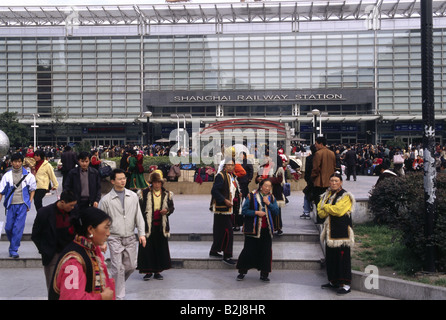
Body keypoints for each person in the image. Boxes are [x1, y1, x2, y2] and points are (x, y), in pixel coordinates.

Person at [98, 168, 146, 300]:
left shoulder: (133, 196)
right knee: (118, 268)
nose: (123, 181)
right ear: (113, 181)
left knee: (131, 266)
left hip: (130, 236)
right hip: (114, 237)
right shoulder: (106, 200)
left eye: (124, 178)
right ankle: (119, 296)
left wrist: (141, 234)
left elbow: (138, 216)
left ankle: (114, 285)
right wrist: (102, 241)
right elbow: (100, 222)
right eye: (119, 179)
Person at [48, 207, 115, 300]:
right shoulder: (74, 261)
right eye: (106, 228)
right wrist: (101, 297)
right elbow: (71, 297)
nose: (108, 233)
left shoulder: (92, 250)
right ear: (90, 229)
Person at [31, 190, 78, 290]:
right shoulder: (44, 213)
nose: (72, 207)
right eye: (71, 205)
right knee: (53, 287)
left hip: (70, 253)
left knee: (70, 287)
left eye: (74, 205)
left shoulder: (74, 212)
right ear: (62, 202)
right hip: (52, 254)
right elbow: (35, 235)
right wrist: (44, 250)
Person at [318, 173, 355, 295]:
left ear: (341, 182)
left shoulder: (346, 195)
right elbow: (320, 213)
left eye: (336, 181)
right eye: (332, 180)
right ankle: (333, 281)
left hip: (342, 232)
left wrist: (325, 207)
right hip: (330, 232)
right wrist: (327, 208)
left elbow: (339, 211)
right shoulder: (326, 195)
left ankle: (345, 284)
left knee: (342, 258)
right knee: (331, 257)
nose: (333, 183)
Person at [236, 179, 279, 282]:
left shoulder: (271, 198)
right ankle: (242, 272)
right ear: (261, 186)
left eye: (269, 186)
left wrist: (269, 203)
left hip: (266, 230)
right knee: (248, 251)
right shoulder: (252, 196)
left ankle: (264, 274)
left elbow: (276, 211)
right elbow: (244, 211)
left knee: (266, 252)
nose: (268, 188)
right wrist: (256, 212)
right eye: (266, 186)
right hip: (253, 229)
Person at [137, 172, 174, 281]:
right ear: (151, 183)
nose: (157, 185)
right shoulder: (143, 193)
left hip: (161, 226)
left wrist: (167, 211)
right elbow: (139, 209)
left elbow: (172, 208)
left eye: (159, 182)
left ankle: (158, 271)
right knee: (147, 248)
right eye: (155, 182)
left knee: (160, 248)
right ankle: (148, 271)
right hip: (147, 226)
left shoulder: (167, 194)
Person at [0, 152, 36, 258]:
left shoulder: (28, 176)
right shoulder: (7, 176)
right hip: (11, 205)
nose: (17, 164)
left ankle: (13, 249)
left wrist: (29, 202)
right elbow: (1, 191)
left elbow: (32, 189)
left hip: (22, 205)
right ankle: (14, 243)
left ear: (22, 162)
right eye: (15, 161)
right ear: (11, 162)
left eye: (19, 161)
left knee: (18, 227)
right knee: (8, 227)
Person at [209, 157, 241, 265]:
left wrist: (238, 195)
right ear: (225, 166)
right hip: (221, 208)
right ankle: (227, 255)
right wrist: (224, 200)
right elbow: (214, 191)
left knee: (219, 230)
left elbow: (231, 190)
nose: (231, 167)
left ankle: (214, 250)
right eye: (228, 165)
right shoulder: (221, 176)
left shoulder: (232, 176)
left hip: (228, 208)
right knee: (228, 231)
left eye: (232, 165)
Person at [255, 153, 285, 235]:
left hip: (274, 191)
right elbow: (256, 179)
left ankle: (278, 227)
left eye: (267, 158)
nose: (265, 160)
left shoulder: (278, 168)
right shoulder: (261, 168)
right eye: (264, 158)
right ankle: (265, 226)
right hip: (263, 191)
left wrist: (267, 179)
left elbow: (279, 180)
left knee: (276, 209)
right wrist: (258, 179)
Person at [311, 137, 336, 224]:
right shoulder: (332, 153)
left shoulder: (318, 153)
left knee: (319, 202)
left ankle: (320, 219)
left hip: (320, 182)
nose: (315, 145)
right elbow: (334, 166)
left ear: (320, 144)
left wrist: (313, 177)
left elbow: (316, 168)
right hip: (330, 182)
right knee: (328, 201)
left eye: (316, 143)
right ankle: (326, 218)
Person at [301, 144, 317, 219]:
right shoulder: (320, 158)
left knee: (307, 194)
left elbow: (307, 170)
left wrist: (307, 179)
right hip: (318, 179)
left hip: (310, 179)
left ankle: (306, 212)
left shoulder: (309, 158)